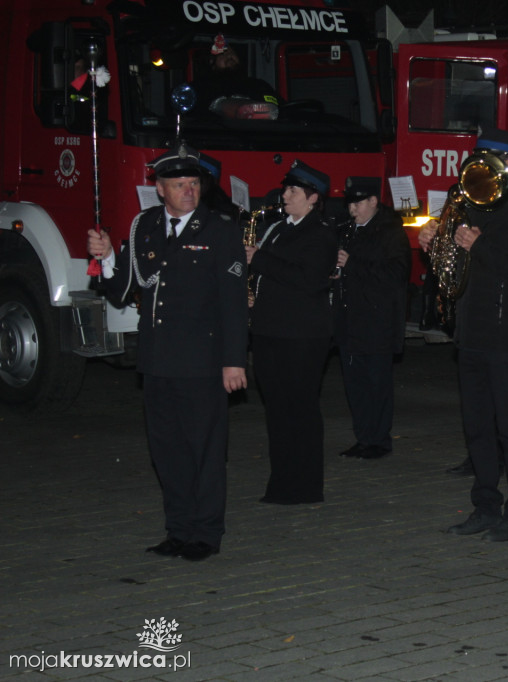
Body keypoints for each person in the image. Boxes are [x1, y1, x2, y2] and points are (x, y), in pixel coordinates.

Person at [86, 142, 248, 561]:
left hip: (203, 361)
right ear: (160, 189)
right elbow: (123, 290)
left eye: (193, 184)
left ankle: (205, 533)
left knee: (205, 451)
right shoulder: (145, 227)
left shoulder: (220, 229)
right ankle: (177, 529)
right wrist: (105, 259)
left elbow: (233, 303)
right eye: (179, 185)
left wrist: (234, 360)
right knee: (167, 451)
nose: (188, 191)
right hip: (158, 361)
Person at [419, 126, 508, 542]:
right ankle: (484, 504)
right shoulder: (470, 198)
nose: (481, 168)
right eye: (477, 159)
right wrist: (434, 239)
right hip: (472, 327)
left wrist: (479, 246)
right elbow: (452, 262)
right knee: (476, 425)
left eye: (490, 161)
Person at [246, 161, 337, 504]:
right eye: (286, 190)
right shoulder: (279, 228)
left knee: (299, 410)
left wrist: (260, 261)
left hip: (301, 337)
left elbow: (309, 279)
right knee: (277, 411)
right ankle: (282, 482)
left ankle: (306, 486)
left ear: (313, 198)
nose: (285, 195)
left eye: (293, 191)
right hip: (271, 332)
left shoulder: (321, 233)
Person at [333, 176, 412, 460]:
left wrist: (353, 264)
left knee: (376, 385)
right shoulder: (347, 231)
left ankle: (379, 439)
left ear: (373, 202)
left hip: (376, 322)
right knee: (355, 385)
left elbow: (395, 274)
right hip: (351, 320)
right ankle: (364, 436)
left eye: (358, 204)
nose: (352, 210)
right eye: (350, 204)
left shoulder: (390, 232)